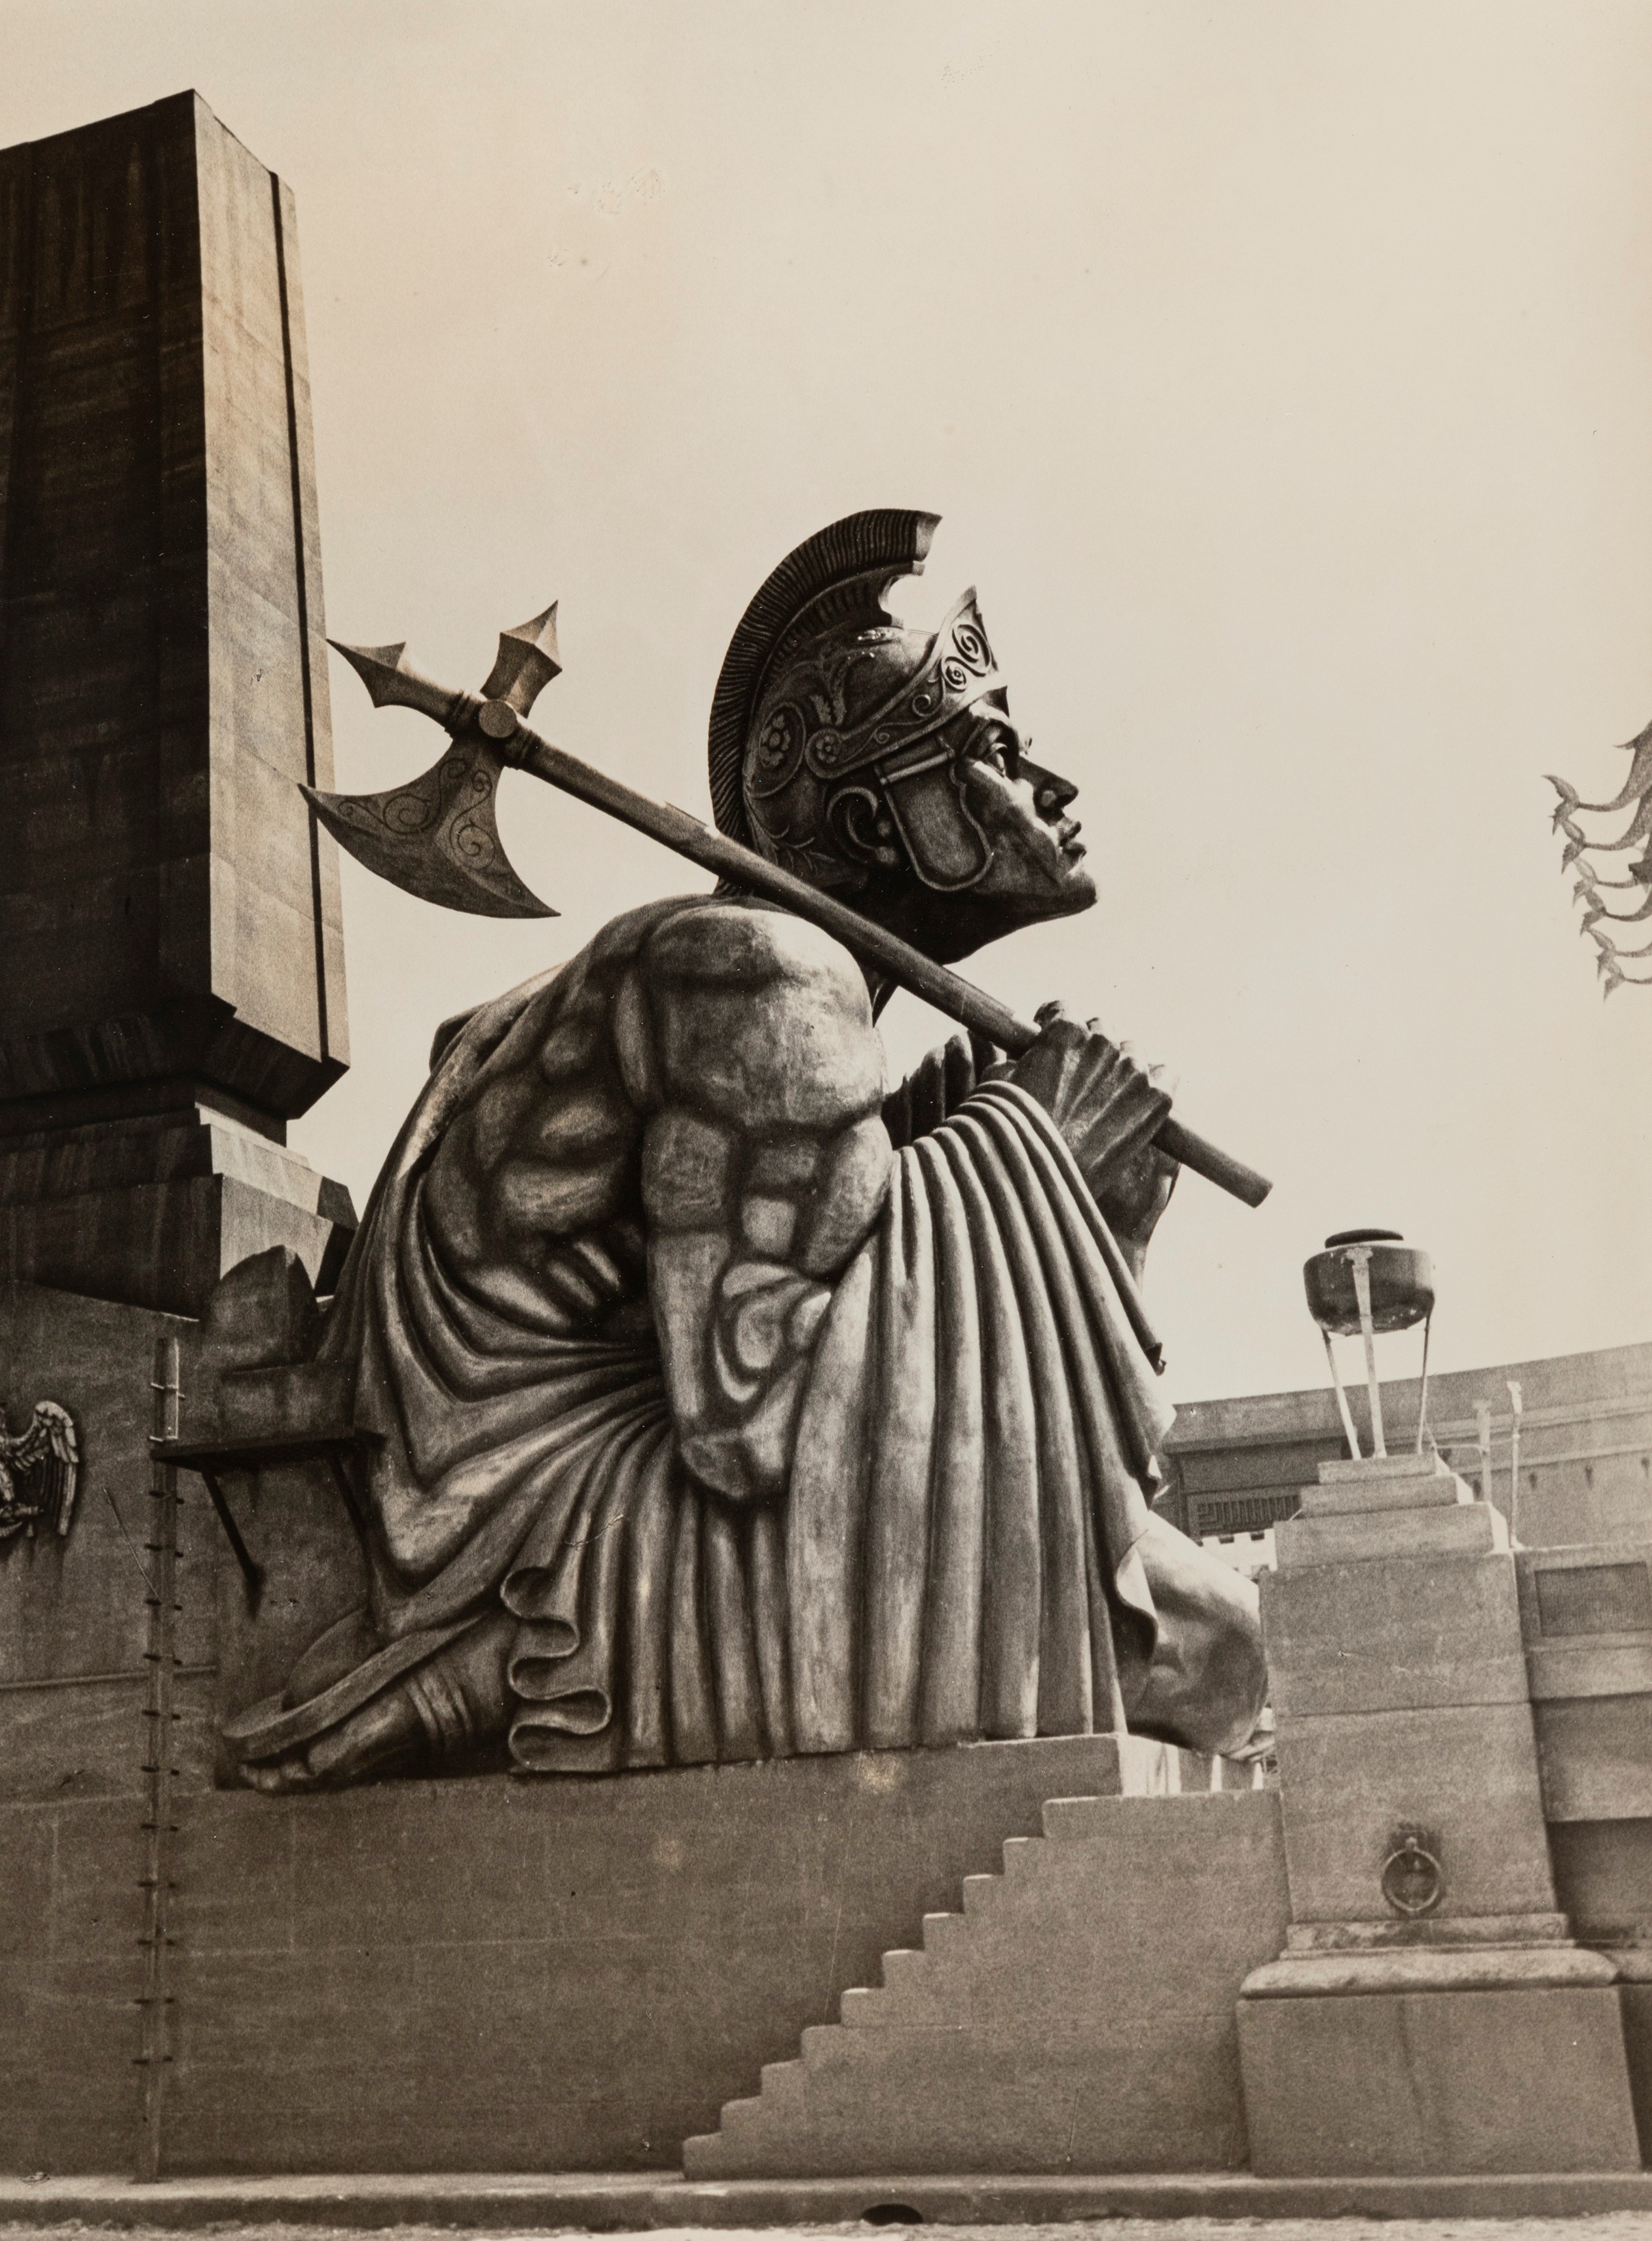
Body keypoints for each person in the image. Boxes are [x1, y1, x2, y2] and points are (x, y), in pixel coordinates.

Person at [228, 510, 1264, 1788]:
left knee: (1208, 1645)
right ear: (877, 824)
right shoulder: (767, 975)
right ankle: (492, 1665)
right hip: (534, 1519)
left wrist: (1030, 1184)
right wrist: (1032, 1157)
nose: (1054, 788)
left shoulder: (767, 980)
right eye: (995, 750)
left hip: (603, 1465)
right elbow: (749, 1413)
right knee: (1216, 1651)